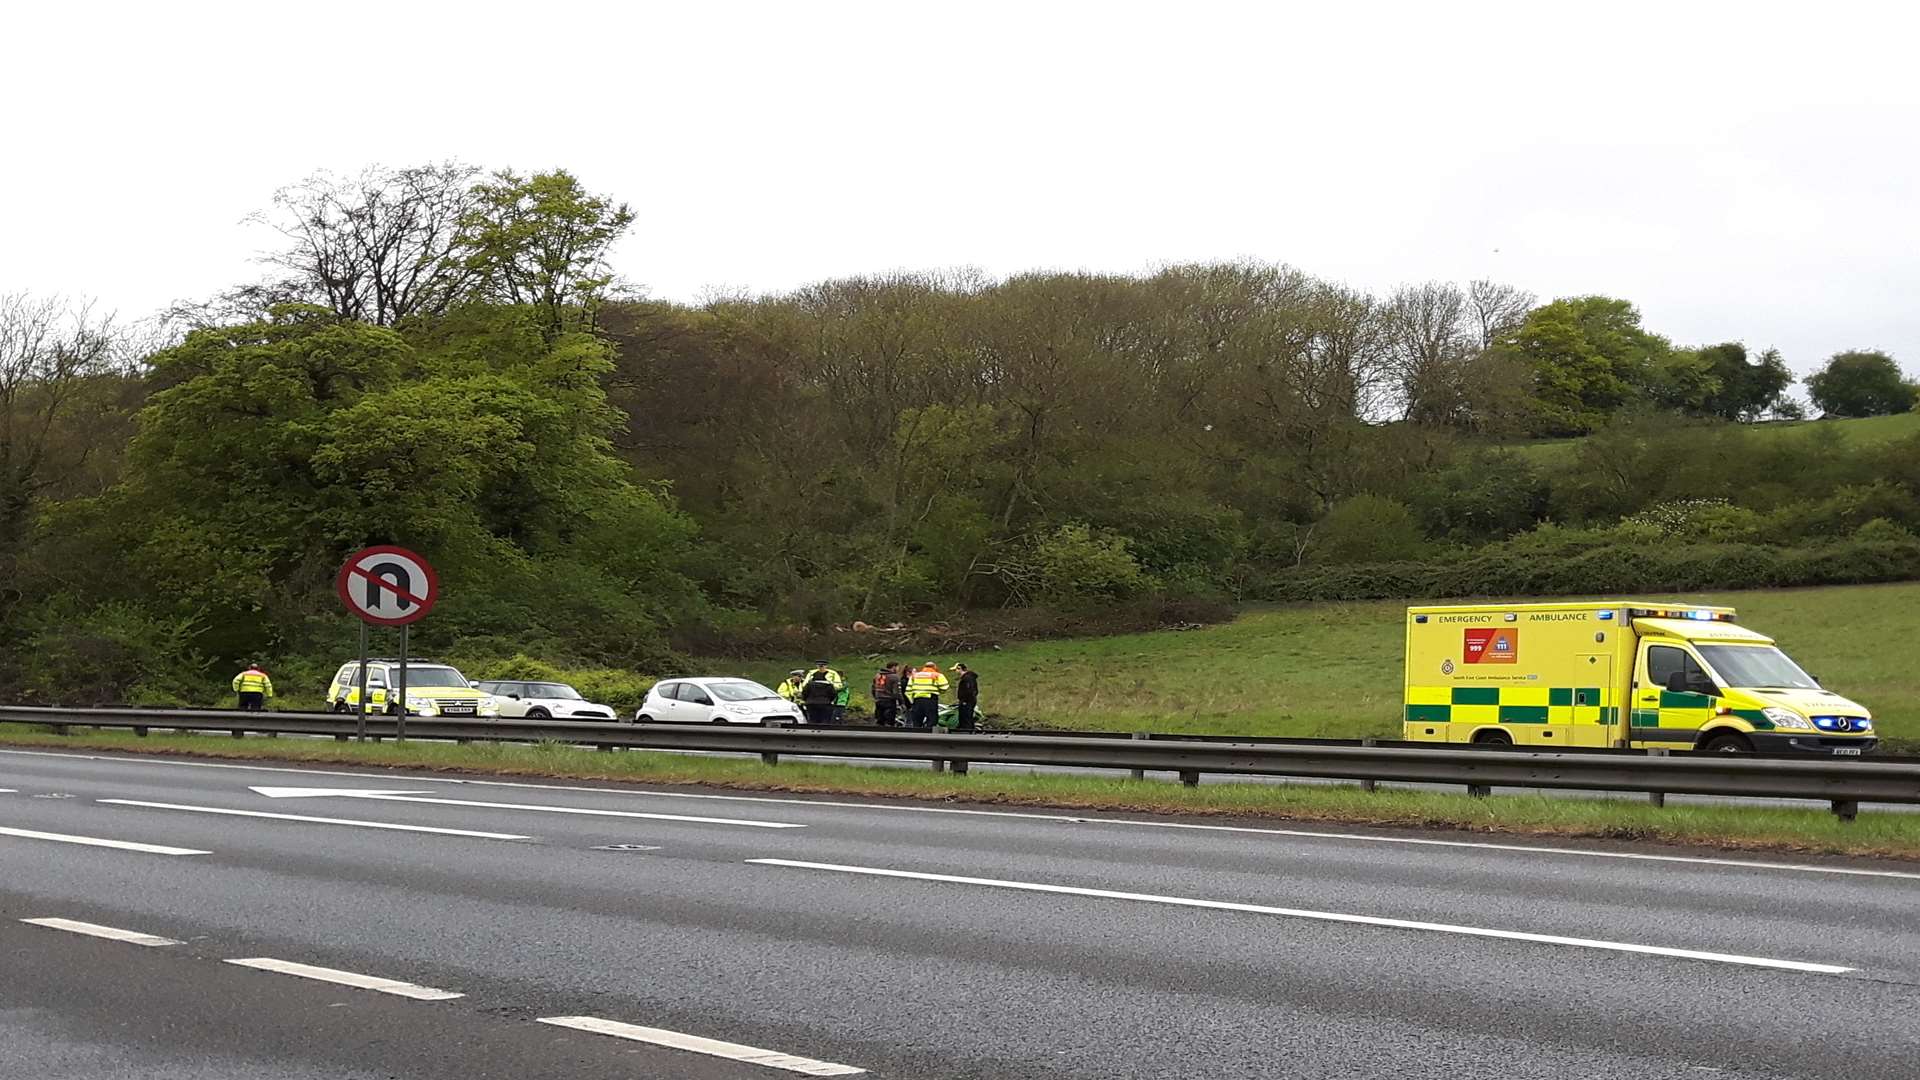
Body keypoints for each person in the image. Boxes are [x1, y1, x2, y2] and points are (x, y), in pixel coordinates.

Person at [905, 661, 949, 729]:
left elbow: (908, 691)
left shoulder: (914, 676)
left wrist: (912, 701)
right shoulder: (937, 675)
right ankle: (929, 737)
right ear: (934, 667)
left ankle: (916, 737)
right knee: (932, 721)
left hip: (917, 700)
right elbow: (944, 687)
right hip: (931, 699)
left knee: (916, 722)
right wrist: (938, 691)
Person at [799, 661, 844, 726]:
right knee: (825, 722)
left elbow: (804, 692)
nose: (821, 667)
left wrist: (807, 700)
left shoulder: (833, 673)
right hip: (825, 703)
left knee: (813, 721)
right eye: (819, 665)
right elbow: (833, 694)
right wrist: (829, 700)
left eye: (822, 665)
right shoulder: (828, 684)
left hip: (811, 704)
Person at [954, 662, 979, 731]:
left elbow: (969, 690)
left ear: (960, 669)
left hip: (967, 701)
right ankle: (969, 730)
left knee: (966, 717)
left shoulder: (967, 678)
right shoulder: (969, 677)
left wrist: (964, 700)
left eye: (956, 670)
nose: (955, 672)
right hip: (969, 700)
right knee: (968, 717)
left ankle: (967, 732)